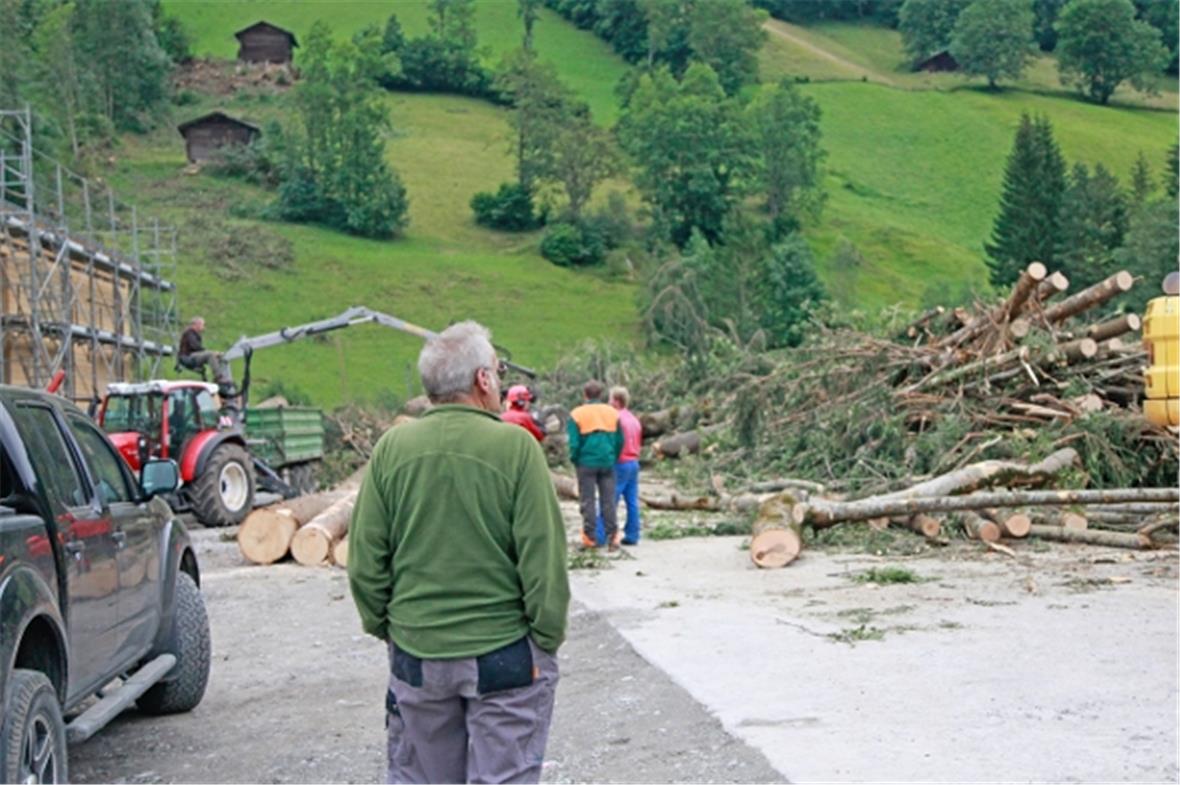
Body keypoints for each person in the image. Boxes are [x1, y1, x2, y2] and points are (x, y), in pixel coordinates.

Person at [348, 321, 569, 785]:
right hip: (504, 654)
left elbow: (365, 562)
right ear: (483, 380)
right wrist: (545, 638)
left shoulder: (391, 449)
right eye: (497, 368)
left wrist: (386, 627)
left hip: (417, 652)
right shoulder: (516, 448)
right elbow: (542, 560)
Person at [568, 380, 623, 551]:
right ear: (601, 395)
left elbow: (574, 444)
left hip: (586, 462)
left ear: (585, 395)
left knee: (588, 500)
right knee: (608, 500)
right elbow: (620, 440)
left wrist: (575, 459)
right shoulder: (612, 413)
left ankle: (590, 539)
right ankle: (613, 537)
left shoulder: (577, 414)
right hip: (607, 461)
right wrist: (613, 456)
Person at [608, 385, 643, 546]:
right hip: (634, 462)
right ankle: (633, 534)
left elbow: (613, 442)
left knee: (609, 499)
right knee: (632, 501)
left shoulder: (615, 419)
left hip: (620, 462)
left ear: (616, 401)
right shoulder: (634, 419)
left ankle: (601, 535)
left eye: (610, 399)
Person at [177, 317, 232, 391]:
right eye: (203, 325)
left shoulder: (193, 334)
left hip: (193, 355)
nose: (203, 327)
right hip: (188, 357)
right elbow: (195, 346)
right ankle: (219, 377)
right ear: (197, 324)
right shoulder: (189, 333)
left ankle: (225, 377)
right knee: (210, 355)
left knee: (219, 357)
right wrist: (212, 352)